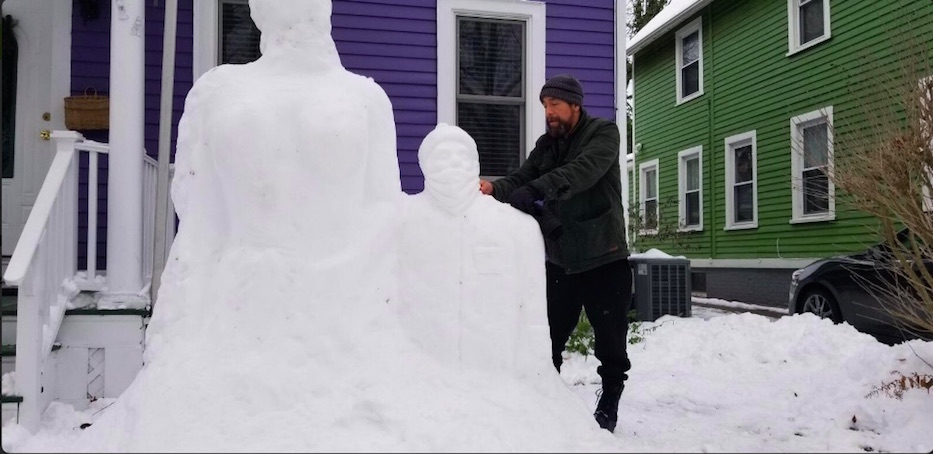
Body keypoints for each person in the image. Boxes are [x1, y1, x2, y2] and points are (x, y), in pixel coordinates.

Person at [479, 74, 632, 433]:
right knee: (547, 338)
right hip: (561, 260)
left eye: (555, 106)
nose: (549, 113)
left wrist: (536, 189)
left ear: (574, 105)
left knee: (610, 340)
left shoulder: (603, 134)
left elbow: (581, 173)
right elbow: (521, 177)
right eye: (545, 106)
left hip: (604, 256)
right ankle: (544, 401)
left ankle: (610, 398)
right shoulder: (546, 145)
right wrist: (493, 188)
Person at [398, 123, 552, 378]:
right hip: (421, 374)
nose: (454, 163)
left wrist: (535, 361)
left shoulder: (515, 227)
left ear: (475, 163)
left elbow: (533, 305)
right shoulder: (401, 220)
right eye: (443, 156)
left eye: (462, 156)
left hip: (497, 374)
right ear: (426, 165)